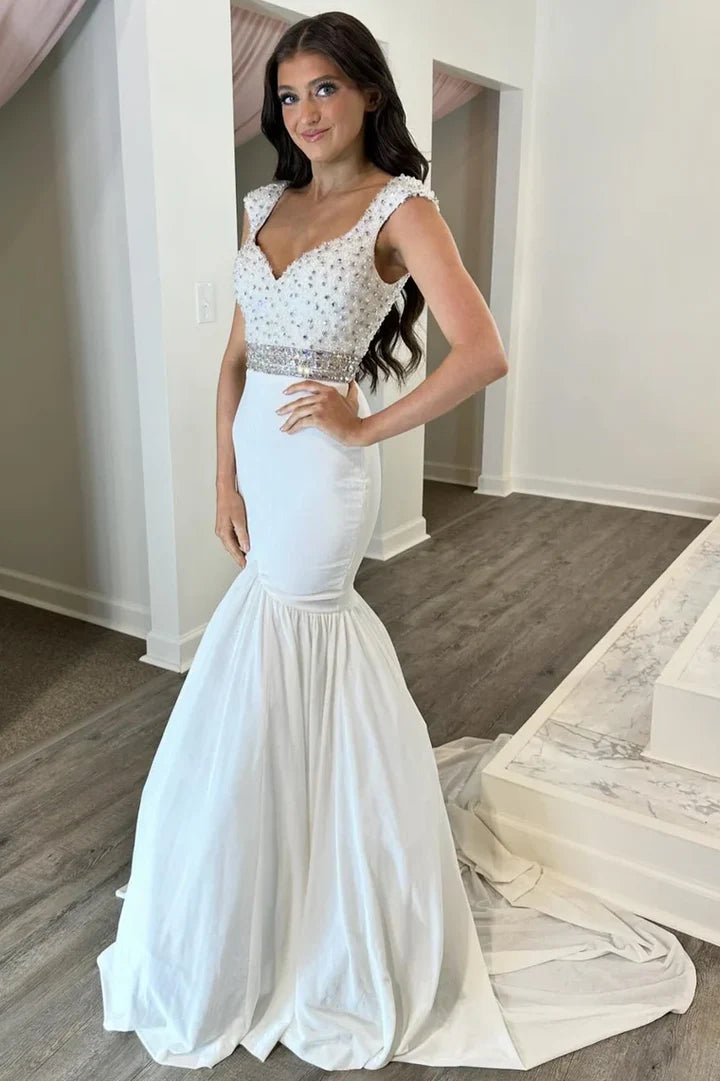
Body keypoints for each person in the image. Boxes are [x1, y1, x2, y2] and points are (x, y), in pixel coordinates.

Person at [96, 10, 696, 1073]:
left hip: (324, 478)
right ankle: (269, 876)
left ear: (368, 92)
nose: (305, 111)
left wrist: (365, 427)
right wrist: (222, 476)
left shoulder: (400, 206)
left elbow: (483, 351)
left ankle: (325, 894)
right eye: (288, 95)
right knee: (262, 652)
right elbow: (233, 359)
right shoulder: (263, 204)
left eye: (325, 88)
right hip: (260, 466)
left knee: (295, 643)